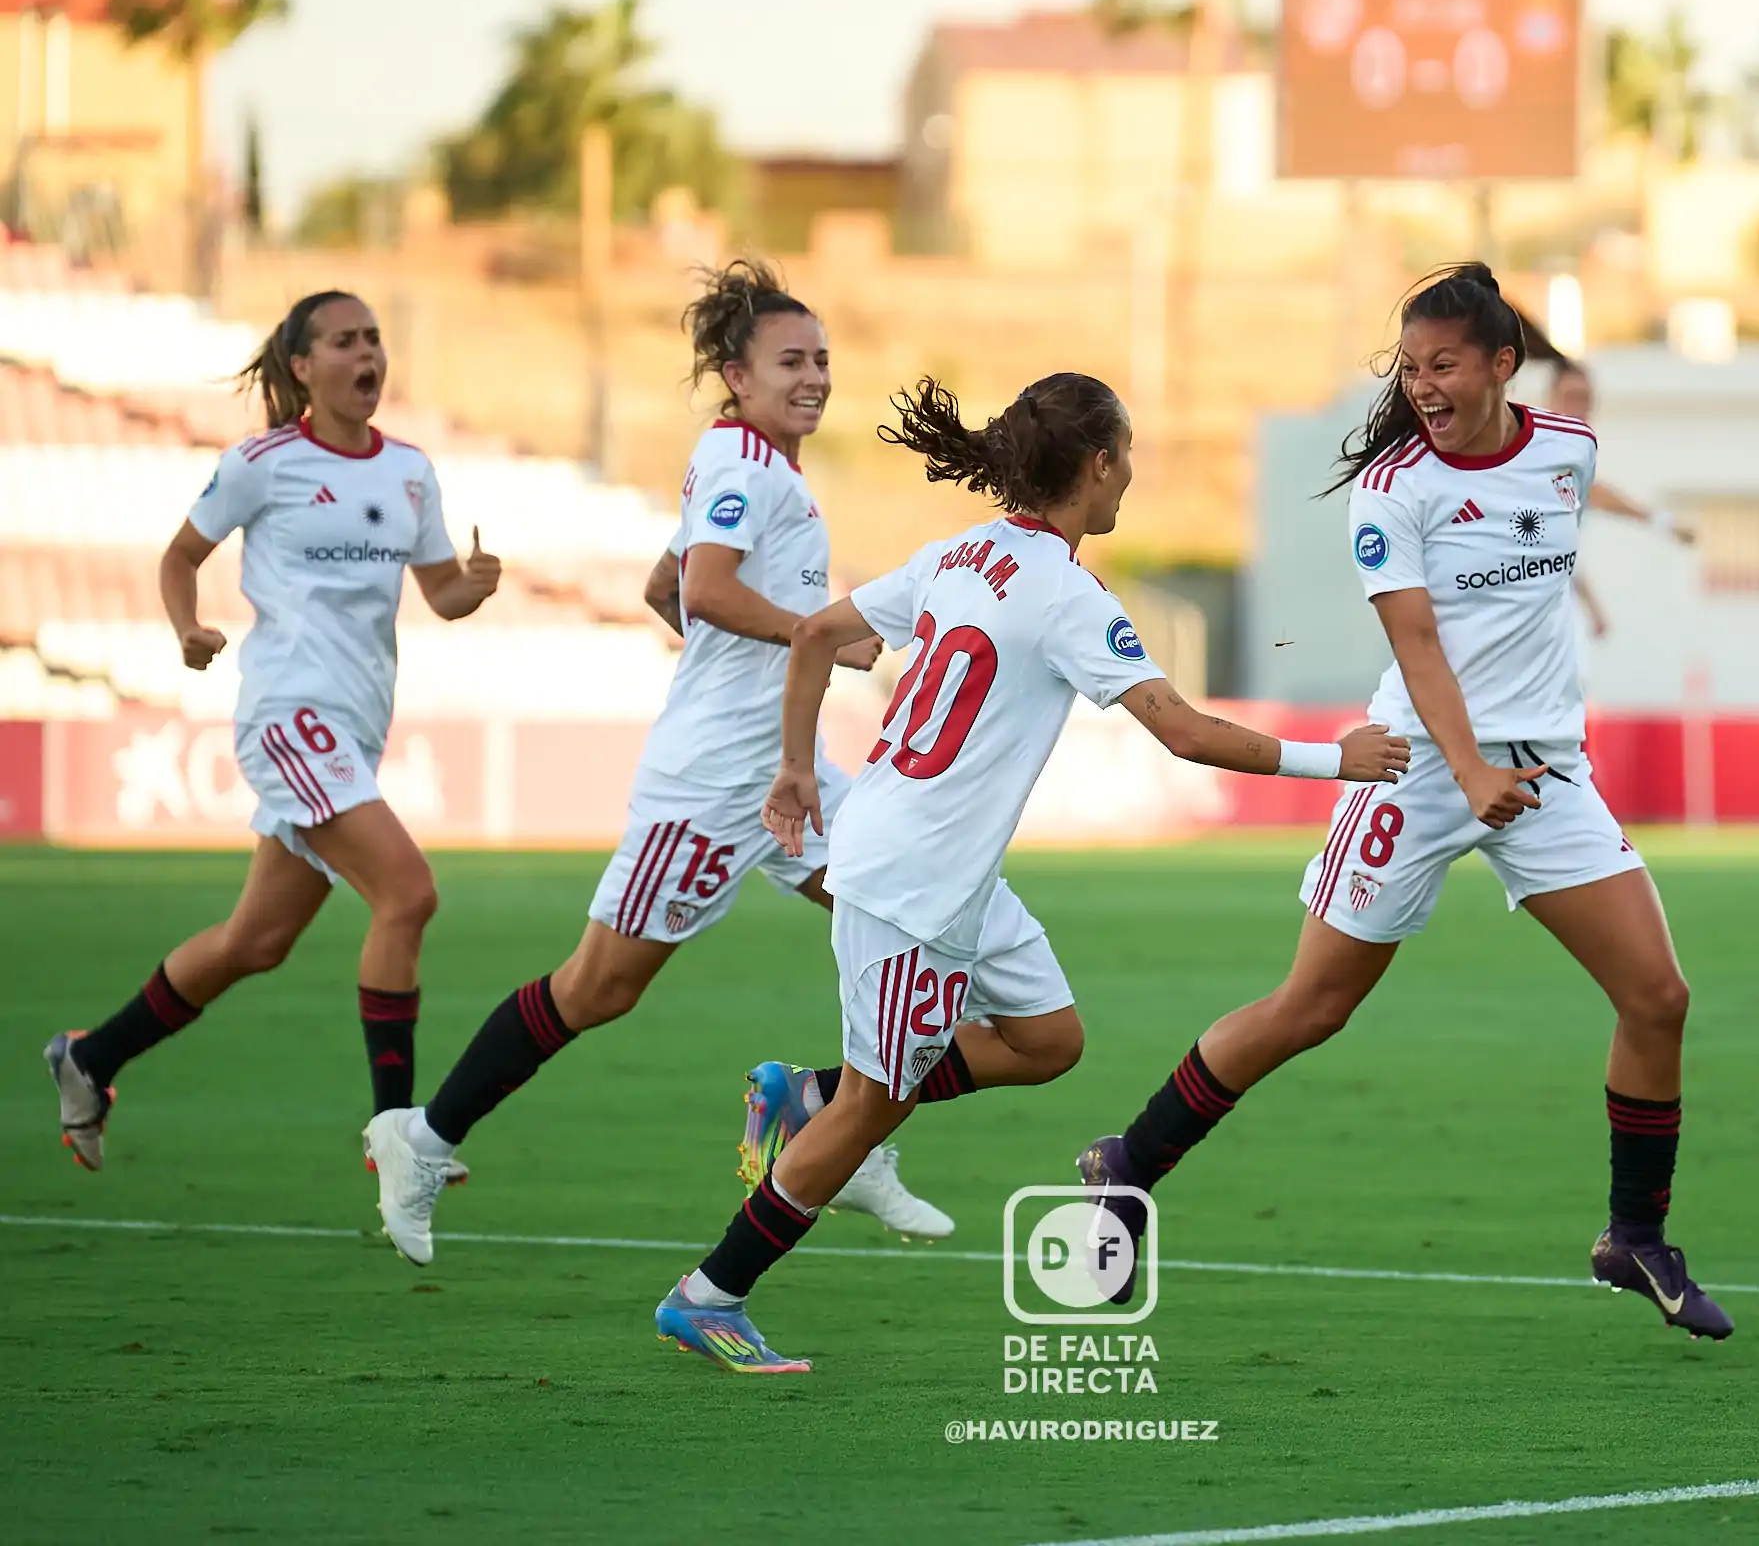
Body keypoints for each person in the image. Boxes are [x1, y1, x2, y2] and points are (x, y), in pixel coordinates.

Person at [649, 371, 1411, 1373]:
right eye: (1125, 459)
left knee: (1050, 1039)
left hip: (944, 873)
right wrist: (1333, 761)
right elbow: (1179, 731)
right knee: (873, 1109)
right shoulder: (1065, 593)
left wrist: (800, 764)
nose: (1130, 478)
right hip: (913, 887)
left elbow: (820, 634)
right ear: (1096, 466)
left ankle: (808, 1091)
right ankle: (711, 1293)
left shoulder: (959, 555)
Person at [1078, 264, 1733, 1341]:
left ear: (1501, 366)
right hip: (1420, 769)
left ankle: (1635, 1235)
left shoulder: (1569, 451)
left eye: (1443, 365)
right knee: (1311, 1010)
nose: (1421, 386)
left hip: (1547, 770)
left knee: (1659, 996)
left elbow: (1556, 535)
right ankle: (1129, 1163)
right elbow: (1415, 641)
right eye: (1410, 368)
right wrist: (1469, 770)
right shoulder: (1393, 488)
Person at [363, 260, 947, 1264]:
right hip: (712, 785)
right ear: (737, 374)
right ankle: (420, 1138)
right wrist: (820, 631)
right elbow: (708, 591)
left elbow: (660, 586)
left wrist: (781, 651)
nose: (813, 378)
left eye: (821, 361)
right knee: (598, 988)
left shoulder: (753, 463)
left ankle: (822, 1121)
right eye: (790, 362)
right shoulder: (743, 468)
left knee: (911, 918)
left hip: (786, 775)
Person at [44, 291, 501, 1171]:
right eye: (344, 341)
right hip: (291, 715)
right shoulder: (263, 463)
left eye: (374, 337)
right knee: (408, 893)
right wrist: (186, 628)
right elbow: (181, 557)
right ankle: (395, 1135)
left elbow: (440, 592)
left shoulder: (409, 470)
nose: (367, 353)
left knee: (256, 941)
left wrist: (473, 585)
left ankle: (90, 1058)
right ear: (303, 367)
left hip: (353, 727)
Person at [1518, 329, 1693, 646]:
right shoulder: (1532, 452)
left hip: (1552, 607)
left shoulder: (1574, 459)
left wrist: (1590, 605)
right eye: (1571, 399)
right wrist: (1661, 521)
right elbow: (1595, 494)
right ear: (1550, 400)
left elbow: (1557, 550)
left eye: (1586, 401)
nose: (1579, 410)